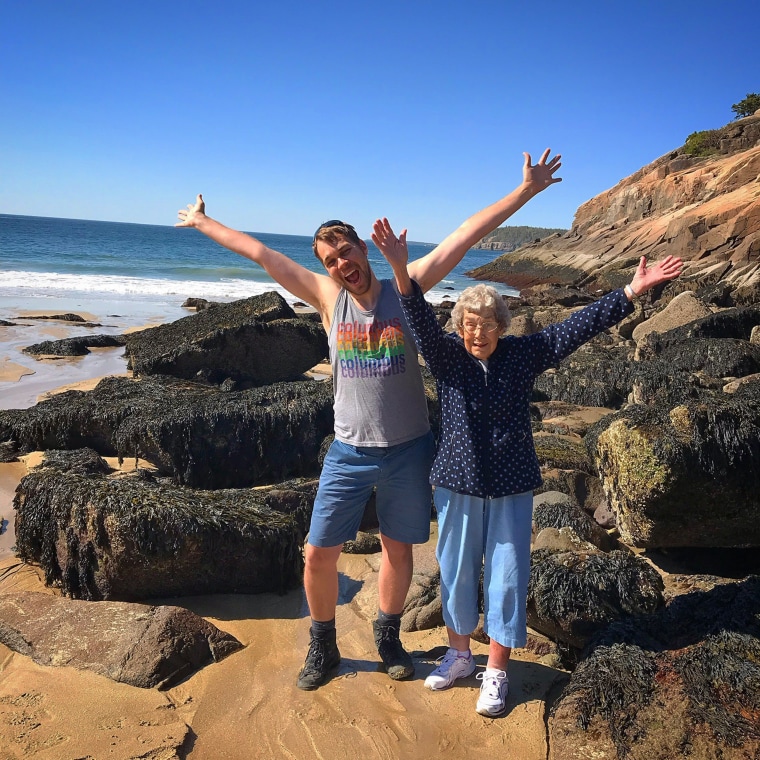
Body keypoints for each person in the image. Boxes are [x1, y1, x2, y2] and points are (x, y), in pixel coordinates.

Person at [175, 149, 563, 691]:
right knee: (317, 554)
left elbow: (464, 235)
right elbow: (261, 253)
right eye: (329, 259)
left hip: (409, 450)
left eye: (345, 252)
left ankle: (387, 636)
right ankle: (323, 644)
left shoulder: (407, 290)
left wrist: (526, 192)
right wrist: (200, 222)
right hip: (349, 451)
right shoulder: (326, 296)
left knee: (397, 550)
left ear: (363, 249)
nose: (339, 264)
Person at [373, 219, 682, 716]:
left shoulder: (522, 355)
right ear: (459, 327)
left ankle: (495, 671)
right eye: (469, 324)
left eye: (487, 324)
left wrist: (630, 291)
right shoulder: (446, 356)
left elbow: (575, 329)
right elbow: (416, 316)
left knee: (508, 576)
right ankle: (458, 656)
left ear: (502, 325)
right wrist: (397, 266)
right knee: (453, 570)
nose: (478, 332)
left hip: (512, 485)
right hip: (456, 482)